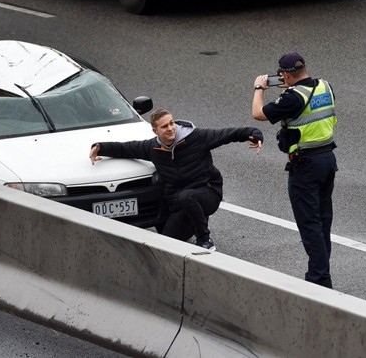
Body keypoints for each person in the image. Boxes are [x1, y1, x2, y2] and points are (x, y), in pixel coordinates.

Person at [89, 109, 263, 251]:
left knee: (188, 196)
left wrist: (254, 134)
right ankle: (192, 226)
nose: (171, 128)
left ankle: (205, 240)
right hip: (180, 202)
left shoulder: (196, 137)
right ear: (155, 131)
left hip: (209, 192)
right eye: (164, 126)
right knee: (166, 245)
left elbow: (228, 134)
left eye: (172, 123)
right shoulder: (153, 148)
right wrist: (100, 147)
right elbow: (127, 148)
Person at [252, 52, 337, 288]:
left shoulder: (293, 97)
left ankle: (319, 280)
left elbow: (258, 114)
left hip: (306, 164)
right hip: (327, 158)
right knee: (323, 221)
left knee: (309, 224)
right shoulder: (324, 86)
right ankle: (320, 271)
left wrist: (259, 88)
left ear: (286, 74)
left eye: (282, 75)